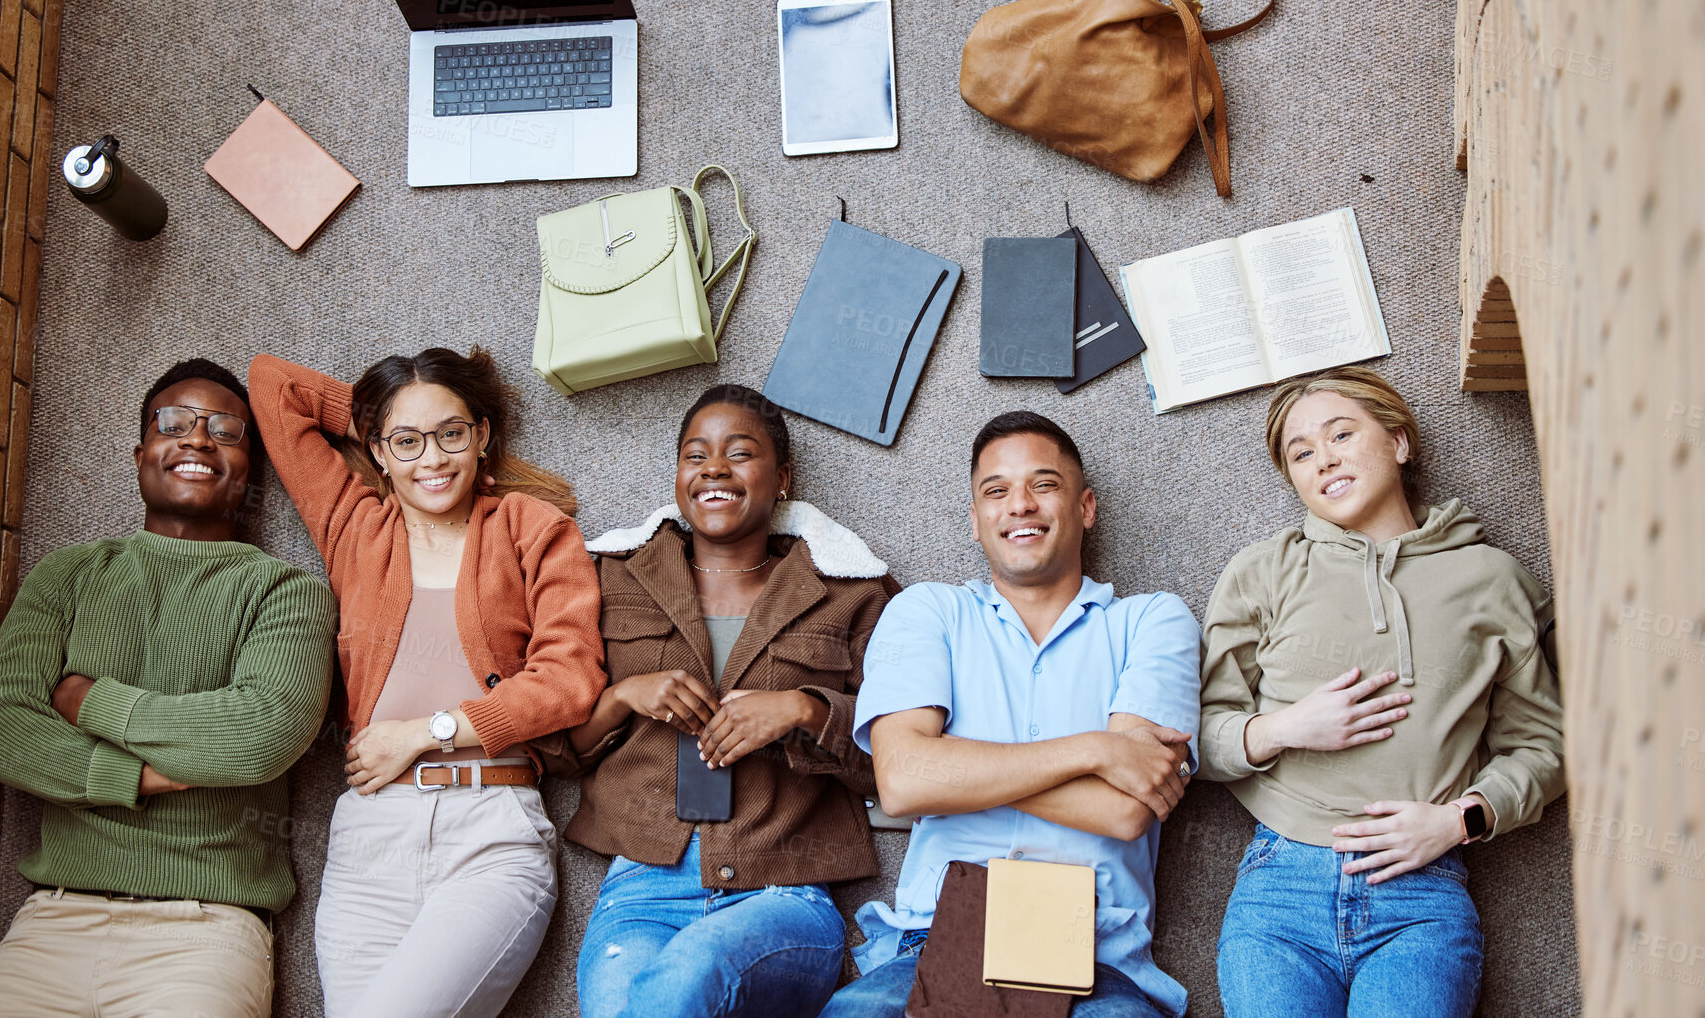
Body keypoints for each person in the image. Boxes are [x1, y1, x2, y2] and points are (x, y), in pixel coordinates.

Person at [1197, 366, 1565, 1018]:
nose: (1323, 458)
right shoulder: (1264, 571)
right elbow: (1191, 736)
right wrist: (1283, 727)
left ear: (1399, 442)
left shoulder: (1492, 578)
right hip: (1279, 886)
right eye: (1300, 452)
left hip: (1419, 892)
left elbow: (1544, 744)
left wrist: (1458, 819)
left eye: (1341, 433)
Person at [248, 349, 607, 1018]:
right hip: (368, 842)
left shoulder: (534, 527)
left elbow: (570, 678)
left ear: (481, 435)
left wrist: (427, 732)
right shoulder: (353, 527)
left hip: (490, 834)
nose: (433, 459)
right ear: (377, 451)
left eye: (451, 433)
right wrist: (384, 418)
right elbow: (274, 385)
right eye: (408, 441)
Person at [0, 359, 337, 1017]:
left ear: (249, 466)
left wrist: (90, 701)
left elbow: (259, 732)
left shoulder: (287, 591)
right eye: (174, 423)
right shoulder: (68, 574)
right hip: (52, 923)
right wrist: (131, 774)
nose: (197, 439)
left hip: (203, 933)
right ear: (143, 453)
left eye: (225, 430)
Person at [822, 411, 1201, 1018]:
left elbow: (1124, 809)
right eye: (995, 491)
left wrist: (952, 761)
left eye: (1044, 485)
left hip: (1095, 961)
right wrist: (1095, 750)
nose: (1019, 505)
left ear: (1086, 507)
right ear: (975, 520)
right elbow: (901, 782)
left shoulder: (1154, 622)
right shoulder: (928, 611)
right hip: (929, 942)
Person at [537, 384, 897, 1018]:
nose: (713, 469)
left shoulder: (853, 591)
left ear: (783, 478)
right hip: (640, 889)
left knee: (685, 981)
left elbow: (894, 766)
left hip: (782, 893)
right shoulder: (610, 575)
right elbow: (557, 750)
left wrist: (804, 710)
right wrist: (625, 696)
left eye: (739, 453)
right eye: (694, 454)